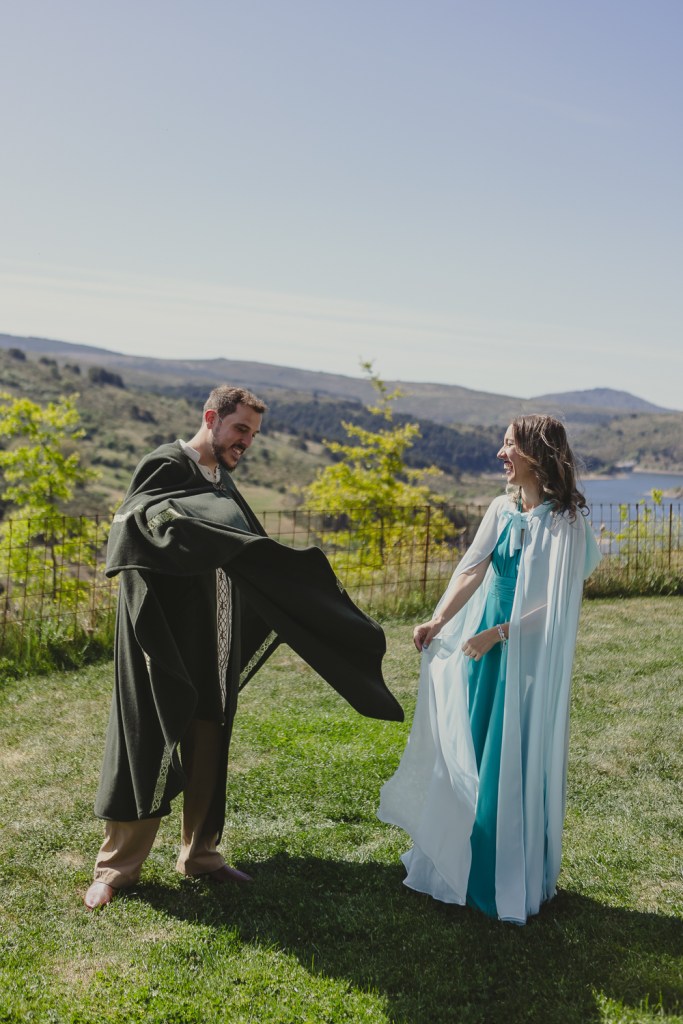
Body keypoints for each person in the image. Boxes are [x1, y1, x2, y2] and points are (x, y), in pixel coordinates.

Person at [85, 385, 403, 910]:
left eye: (253, 434)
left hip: (216, 634)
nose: (246, 442)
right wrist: (184, 530)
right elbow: (135, 522)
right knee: (148, 740)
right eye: (239, 429)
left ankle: (201, 854)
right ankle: (116, 867)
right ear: (211, 417)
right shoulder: (166, 464)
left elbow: (250, 550)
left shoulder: (221, 481)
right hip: (164, 635)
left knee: (210, 736)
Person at [378, 414, 601, 924]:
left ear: (536, 454)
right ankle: (458, 858)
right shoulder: (501, 509)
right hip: (486, 648)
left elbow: (554, 607)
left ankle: (497, 875)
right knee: (472, 749)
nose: (501, 454)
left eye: (509, 445)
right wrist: (438, 620)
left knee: (509, 755)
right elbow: (472, 569)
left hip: (526, 656)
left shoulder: (565, 523)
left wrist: (497, 633)